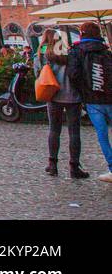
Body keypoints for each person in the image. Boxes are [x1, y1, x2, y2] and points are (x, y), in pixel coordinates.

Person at [66, 22, 112, 183]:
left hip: (92, 99)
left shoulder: (76, 51)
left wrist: (83, 91)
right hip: (109, 96)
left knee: (102, 135)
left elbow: (73, 75)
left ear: (82, 34)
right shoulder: (105, 50)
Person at [36, 28, 85, 179]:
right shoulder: (69, 54)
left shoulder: (41, 56)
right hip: (73, 96)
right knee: (74, 132)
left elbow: (37, 75)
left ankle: (52, 165)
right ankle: (74, 166)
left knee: (54, 130)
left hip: (53, 96)